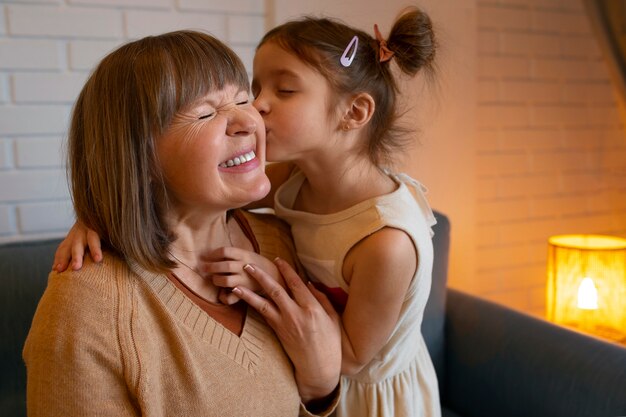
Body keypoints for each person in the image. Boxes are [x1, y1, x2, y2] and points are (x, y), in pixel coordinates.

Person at [54, 7, 442, 417]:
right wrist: (94, 216)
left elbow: (348, 361)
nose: (255, 109)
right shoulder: (296, 180)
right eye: (253, 90)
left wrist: (268, 278)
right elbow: (137, 185)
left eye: (282, 92)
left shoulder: (384, 242)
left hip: (371, 394)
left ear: (355, 113)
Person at [23, 30, 342, 417]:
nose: (248, 119)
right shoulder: (87, 306)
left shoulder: (283, 240)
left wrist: (321, 386)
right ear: (139, 158)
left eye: (243, 98)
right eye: (206, 113)